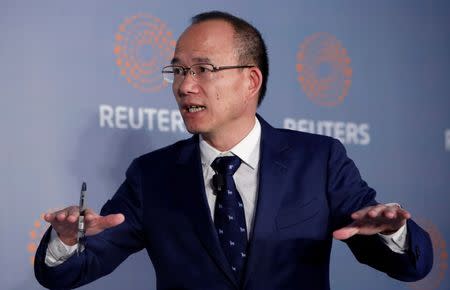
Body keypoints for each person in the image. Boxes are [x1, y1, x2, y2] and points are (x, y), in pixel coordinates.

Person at [35, 11, 433, 290]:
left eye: (203, 70)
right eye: (178, 70)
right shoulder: (151, 176)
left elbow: (412, 266)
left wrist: (394, 231)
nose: (184, 86)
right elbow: (67, 272)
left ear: (251, 80)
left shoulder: (319, 160)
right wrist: (67, 240)